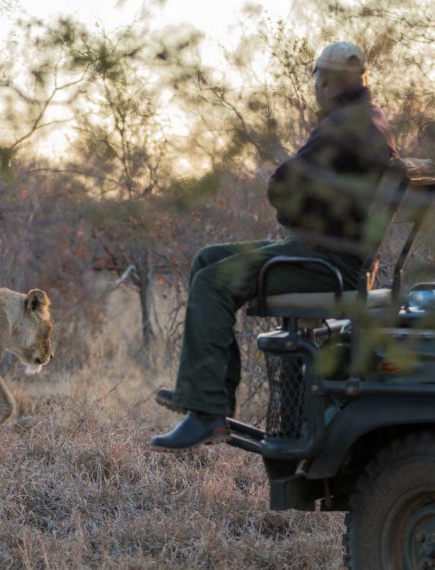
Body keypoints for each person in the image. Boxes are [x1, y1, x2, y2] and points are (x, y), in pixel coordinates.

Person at [150, 42, 397, 451]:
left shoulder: (344, 126)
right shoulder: (370, 119)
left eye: (318, 77)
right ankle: (205, 395)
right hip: (333, 253)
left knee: (213, 281)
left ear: (329, 82)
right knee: (206, 259)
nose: (315, 86)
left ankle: (207, 411)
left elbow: (282, 188)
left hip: (328, 261)